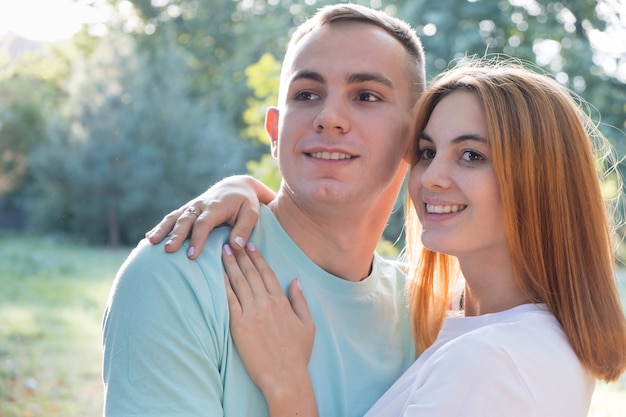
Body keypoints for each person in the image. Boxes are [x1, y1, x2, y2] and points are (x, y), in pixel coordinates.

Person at [153, 59, 626, 416]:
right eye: (426, 151)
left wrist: (286, 384)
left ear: (541, 180)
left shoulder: (491, 361)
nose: (430, 178)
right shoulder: (494, 325)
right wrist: (246, 190)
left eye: (471, 156)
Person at [102, 4, 427, 417]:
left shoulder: (424, 316)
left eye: (366, 96)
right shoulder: (178, 275)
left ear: (415, 136)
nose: (329, 118)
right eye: (306, 94)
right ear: (275, 131)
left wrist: (289, 389)